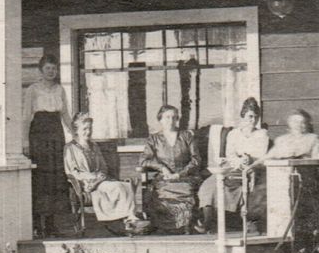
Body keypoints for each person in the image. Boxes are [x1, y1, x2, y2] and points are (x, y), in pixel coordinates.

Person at [197, 96, 271, 230]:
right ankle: (208, 221)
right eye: (249, 116)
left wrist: (250, 160)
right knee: (210, 184)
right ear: (242, 116)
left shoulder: (262, 134)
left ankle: (241, 221)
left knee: (239, 182)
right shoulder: (234, 134)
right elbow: (229, 154)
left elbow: (262, 156)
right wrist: (238, 161)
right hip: (233, 166)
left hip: (253, 168)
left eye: (255, 117)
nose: (253, 120)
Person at [65, 113, 145, 233]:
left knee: (126, 185)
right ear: (76, 130)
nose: (88, 131)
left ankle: (127, 219)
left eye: (90, 128)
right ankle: (128, 219)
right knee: (119, 186)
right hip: (85, 184)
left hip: (100, 180)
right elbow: (72, 171)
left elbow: (103, 166)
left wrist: (101, 175)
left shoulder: (94, 146)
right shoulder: (70, 148)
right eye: (85, 129)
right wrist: (91, 177)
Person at [24, 54, 74, 237]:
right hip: (38, 135)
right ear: (41, 70)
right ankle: (38, 223)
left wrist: (75, 134)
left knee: (55, 179)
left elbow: (66, 115)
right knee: (40, 179)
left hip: (56, 135)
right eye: (48, 68)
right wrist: (24, 141)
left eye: (54, 68)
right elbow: (26, 117)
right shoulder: (33, 90)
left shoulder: (60, 90)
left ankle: (52, 224)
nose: (51, 72)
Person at [138, 104, 203, 233]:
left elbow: (196, 159)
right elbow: (144, 160)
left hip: (186, 177)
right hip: (164, 178)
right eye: (167, 117)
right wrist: (162, 168)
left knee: (186, 191)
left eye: (174, 117)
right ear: (160, 119)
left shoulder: (186, 136)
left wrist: (181, 174)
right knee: (160, 194)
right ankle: (165, 227)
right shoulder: (154, 139)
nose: (171, 121)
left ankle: (185, 225)